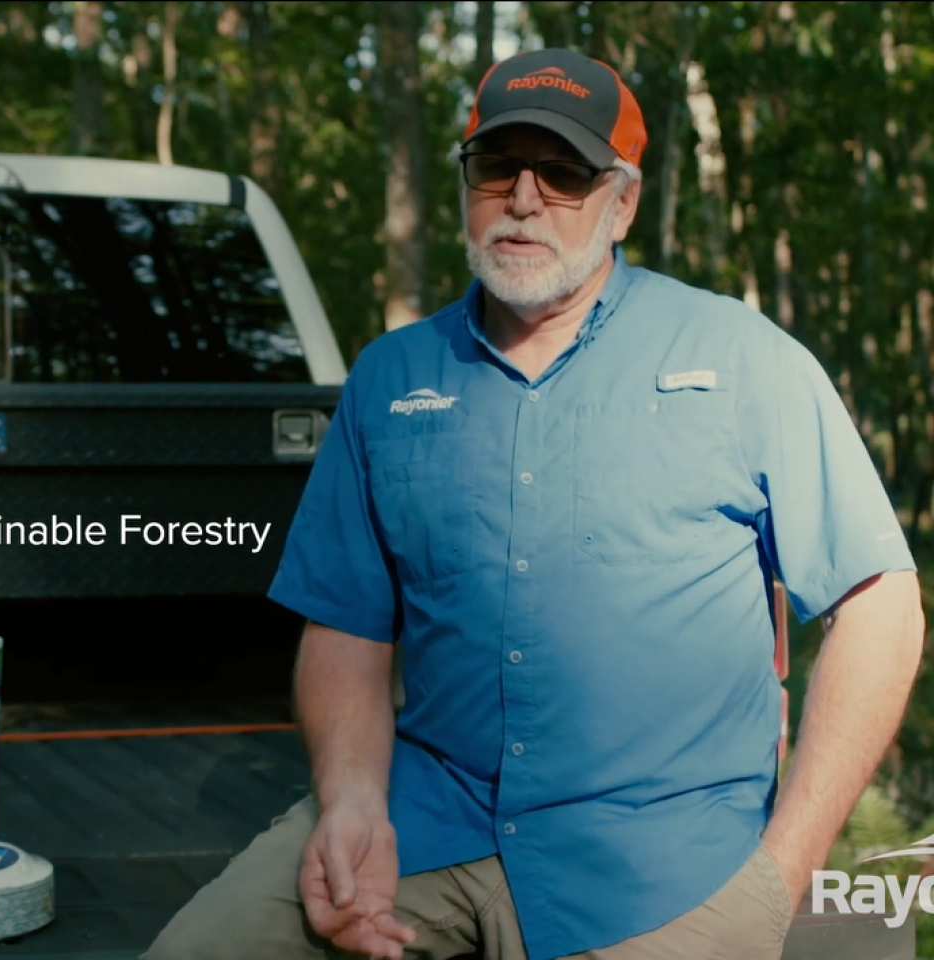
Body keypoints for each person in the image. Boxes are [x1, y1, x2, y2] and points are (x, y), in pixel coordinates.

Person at [140, 46, 926, 960]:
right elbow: (346, 625)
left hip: (662, 857)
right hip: (426, 816)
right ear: (466, 181)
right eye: (496, 167)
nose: (522, 198)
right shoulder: (392, 379)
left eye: (563, 173)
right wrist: (353, 798)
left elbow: (881, 605)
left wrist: (783, 876)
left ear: (622, 200)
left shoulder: (745, 360)